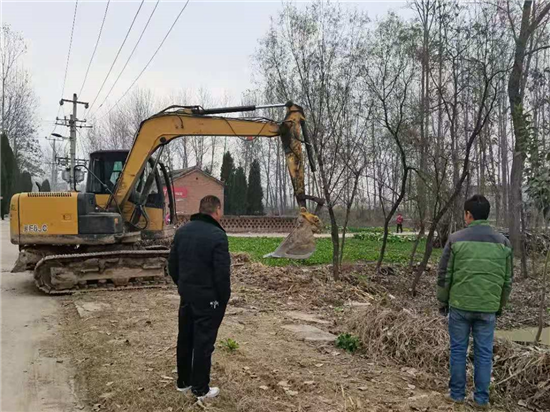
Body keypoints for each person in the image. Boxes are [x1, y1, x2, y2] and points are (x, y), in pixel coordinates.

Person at [437, 195, 513, 409]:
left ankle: (457, 395)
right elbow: (507, 281)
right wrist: (500, 305)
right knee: (484, 353)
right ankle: (481, 399)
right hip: (488, 308)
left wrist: (442, 301)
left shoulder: (455, 239)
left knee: (458, 350)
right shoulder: (503, 243)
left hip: (460, 306)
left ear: (468, 215)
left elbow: (444, 275)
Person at [168, 195, 231, 401]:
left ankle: (183, 382)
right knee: (203, 343)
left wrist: (183, 286)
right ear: (217, 210)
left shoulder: (182, 231)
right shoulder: (217, 235)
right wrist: (223, 298)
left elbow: (172, 265)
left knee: (185, 338)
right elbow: (222, 274)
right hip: (208, 299)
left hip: (187, 296)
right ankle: (200, 389)